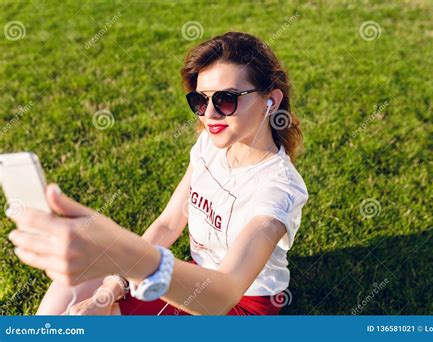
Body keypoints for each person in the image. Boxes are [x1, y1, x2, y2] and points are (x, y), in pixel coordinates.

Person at [6, 31, 308, 315]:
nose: (210, 114)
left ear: (272, 100)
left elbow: (224, 293)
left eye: (226, 100)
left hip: (239, 305)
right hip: (197, 275)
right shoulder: (209, 144)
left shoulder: (278, 189)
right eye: (200, 101)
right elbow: (167, 224)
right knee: (76, 284)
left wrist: (132, 258)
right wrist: (112, 288)